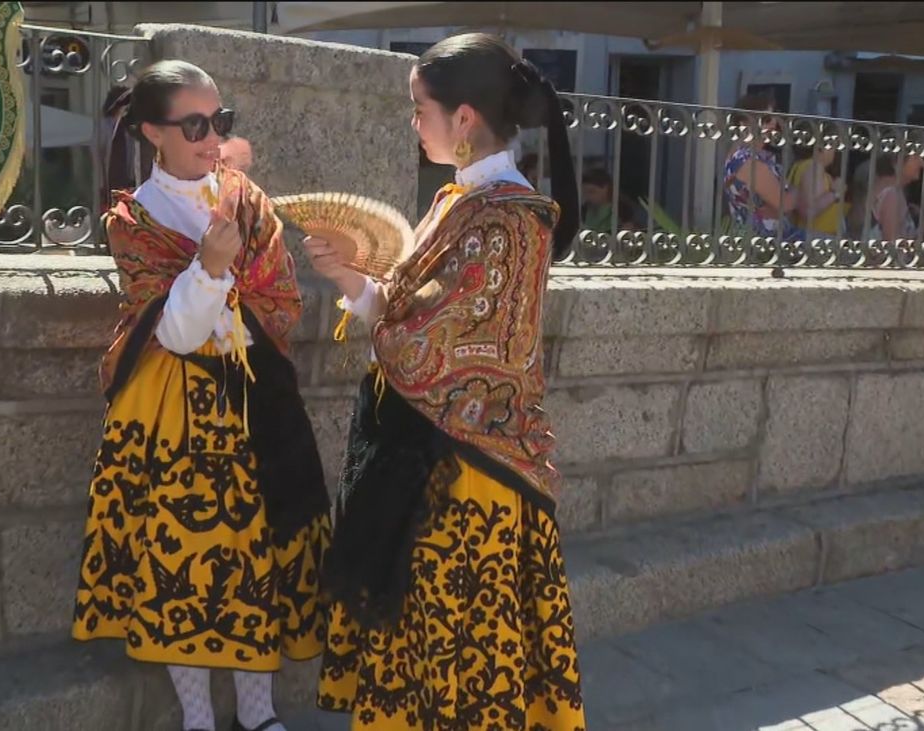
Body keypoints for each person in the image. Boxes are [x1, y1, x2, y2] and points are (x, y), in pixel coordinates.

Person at [304, 33, 586, 731]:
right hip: (433, 460)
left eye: (420, 108)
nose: (414, 123)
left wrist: (383, 317)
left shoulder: (508, 222)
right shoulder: (462, 202)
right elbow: (411, 309)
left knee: (462, 657)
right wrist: (348, 276)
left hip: (471, 476)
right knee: (424, 651)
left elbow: (425, 346)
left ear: (464, 119)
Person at [72, 60, 331, 731]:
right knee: (178, 564)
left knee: (258, 560)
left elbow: (281, 302)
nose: (213, 136)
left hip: (257, 401)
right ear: (154, 131)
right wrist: (212, 268)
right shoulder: (134, 218)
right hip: (171, 414)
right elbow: (178, 334)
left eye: (222, 120)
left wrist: (228, 277)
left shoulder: (248, 200)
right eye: (195, 124)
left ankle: (259, 714)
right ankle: (198, 719)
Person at [723, 92, 805, 241]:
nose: (773, 123)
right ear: (744, 123)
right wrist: (795, 190)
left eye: (775, 117)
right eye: (766, 119)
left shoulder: (743, 155)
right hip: (768, 241)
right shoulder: (748, 162)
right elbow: (785, 204)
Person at [865, 153, 924, 241]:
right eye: (915, 158)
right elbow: (892, 245)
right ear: (897, 162)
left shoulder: (894, 192)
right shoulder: (890, 194)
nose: (922, 164)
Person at [787, 145, 846, 237]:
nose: (835, 153)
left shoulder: (799, 166)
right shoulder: (814, 167)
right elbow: (808, 211)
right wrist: (835, 193)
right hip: (815, 238)